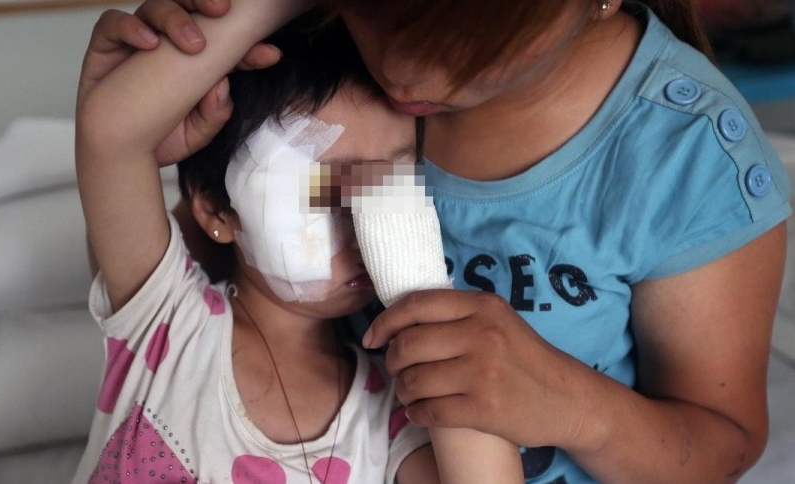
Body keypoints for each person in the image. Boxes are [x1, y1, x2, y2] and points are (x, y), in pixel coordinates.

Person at [83, 0, 793, 483]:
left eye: (398, 176)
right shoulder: (171, 330)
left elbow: (719, 442)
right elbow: (124, 151)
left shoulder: (395, 418)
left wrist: (558, 398)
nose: (403, 74)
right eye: (373, 7)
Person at [73, 8, 523, 484]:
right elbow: (111, 132)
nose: (369, 225)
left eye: (393, 186)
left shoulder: (389, 418)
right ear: (217, 211)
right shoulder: (166, 322)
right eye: (324, 190)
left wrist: (420, 286)